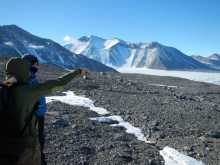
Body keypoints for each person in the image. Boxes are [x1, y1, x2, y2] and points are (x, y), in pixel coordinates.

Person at [3, 57, 94, 165]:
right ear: (21, 70)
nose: (29, 73)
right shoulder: (27, 91)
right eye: (28, 70)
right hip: (27, 147)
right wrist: (78, 71)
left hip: (7, 145)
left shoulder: (4, 89)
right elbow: (57, 83)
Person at [22, 54, 47, 165]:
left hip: (38, 115)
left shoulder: (31, 78)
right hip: (34, 116)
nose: (38, 65)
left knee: (40, 140)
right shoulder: (26, 80)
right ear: (29, 64)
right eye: (36, 63)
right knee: (37, 141)